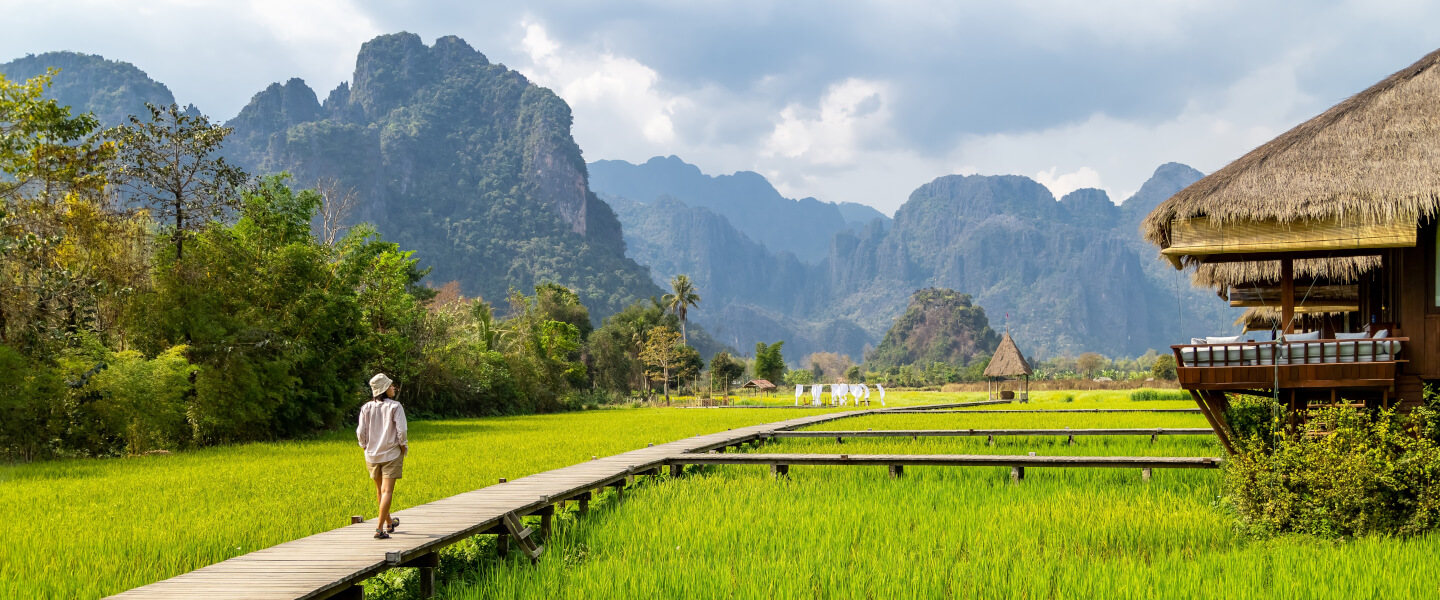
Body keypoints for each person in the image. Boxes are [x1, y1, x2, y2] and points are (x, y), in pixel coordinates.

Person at [358, 373, 408, 539]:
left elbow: (360, 432)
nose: (393, 388)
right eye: (391, 385)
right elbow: (402, 431)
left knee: (380, 490)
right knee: (387, 491)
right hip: (391, 453)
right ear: (385, 389)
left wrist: (365, 446)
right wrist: (403, 446)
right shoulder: (395, 406)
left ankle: (389, 522)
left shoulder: (366, 407)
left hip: (371, 455)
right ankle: (379, 529)